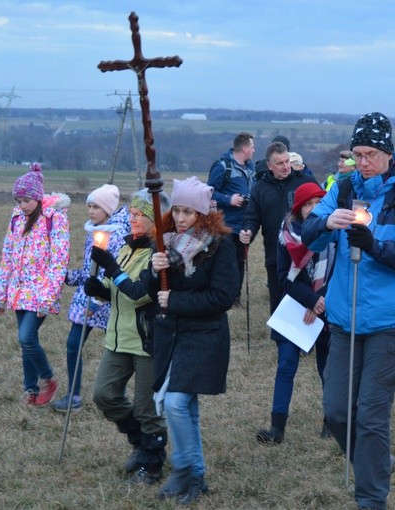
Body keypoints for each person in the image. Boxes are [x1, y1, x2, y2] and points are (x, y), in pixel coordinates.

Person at [302, 112, 395, 510]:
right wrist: (327, 224)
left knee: (371, 416)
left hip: (390, 324)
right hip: (344, 320)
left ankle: (371, 498)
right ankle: (375, 461)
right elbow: (307, 233)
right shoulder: (341, 189)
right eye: (357, 153)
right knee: (337, 412)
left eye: (370, 153)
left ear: (388, 153)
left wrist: (372, 243)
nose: (363, 162)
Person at [144, 177, 239, 505]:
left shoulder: (220, 245)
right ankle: (193, 474)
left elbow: (224, 296)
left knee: (175, 403)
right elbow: (151, 292)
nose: (182, 218)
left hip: (205, 336)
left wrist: (177, 302)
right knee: (185, 405)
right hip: (172, 336)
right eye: (178, 210)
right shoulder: (166, 243)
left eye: (189, 212)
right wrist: (152, 270)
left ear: (203, 214)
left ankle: (185, 470)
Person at [86, 188, 170, 484]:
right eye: (131, 214)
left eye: (140, 215)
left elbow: (138, 295)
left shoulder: (160, 256)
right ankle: (140, 442)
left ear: (155, 220)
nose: (133, 219)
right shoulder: (125, 248)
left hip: (146, 341)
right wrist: (99, 289)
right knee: (104, 394)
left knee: (148, 409)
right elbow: (117, 290)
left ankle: (153, 463)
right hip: (118, 338)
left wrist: (109, 265)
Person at [256, 182, 334, 444]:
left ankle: (330, 422)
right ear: (299, 211)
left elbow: (340, 273)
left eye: (318, 204)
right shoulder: (287, 236)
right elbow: (283, 277)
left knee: (328, 369)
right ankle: (277, 429)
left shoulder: (334, 233)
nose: (313, 209)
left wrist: (320, 302)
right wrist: (309, 300)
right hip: (294, 307)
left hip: (327, 309)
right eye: (308, 205)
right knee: (286, 365)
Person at [0, 163, 71, 406]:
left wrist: (48, 298)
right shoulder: (16, 219)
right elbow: (7, 256)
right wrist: (1, 294)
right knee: (25, 340)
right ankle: (31, 390)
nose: (22, 205)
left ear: (37, 197)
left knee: (26, 338)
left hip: (41, 293)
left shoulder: (55, 219)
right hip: (18, 291)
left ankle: (48, 380)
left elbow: (60, 261)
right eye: (18, 200)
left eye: (26, 200)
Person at [51, 184, 130, 412]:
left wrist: (96, 302)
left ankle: (115, 395)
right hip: (85, 297)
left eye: (96, 207)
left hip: (108, 301)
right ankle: (73, 395)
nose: (91, 211)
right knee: (73, 345)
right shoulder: (94, 231)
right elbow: (89, 271)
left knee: (116, 350)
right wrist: (68, 276)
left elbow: (111, 273)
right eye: (89, 206)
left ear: (108, 209)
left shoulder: (118, 236)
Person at [240, 142, 317, 315]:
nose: (285, 166)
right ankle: (282, 341)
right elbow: (252, 216)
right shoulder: (260, 188)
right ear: (269, 165)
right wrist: (248, 231)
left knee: (309, 303)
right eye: (280, 163)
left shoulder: (305, 181)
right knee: (279, 304)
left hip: (306, 253)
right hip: (275, 255)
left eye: (287, 161)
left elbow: (322, 210)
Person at [207, 132, 256, 308]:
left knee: (240, 261)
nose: (254, 150)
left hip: (245, 223)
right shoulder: (223, 167)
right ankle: (223, 295)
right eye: (252, 147)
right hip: (227, 225)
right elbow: (209, 191)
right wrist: (229, 199)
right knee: (226, 262)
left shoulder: (251, 168)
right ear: (244, 148)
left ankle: (236, 298)